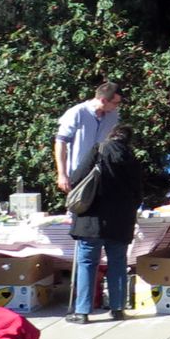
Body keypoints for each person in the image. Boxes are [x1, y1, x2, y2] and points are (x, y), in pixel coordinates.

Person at [67, 127, 144, 323]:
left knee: (87, 263)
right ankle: (117, 308)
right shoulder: (131, 159)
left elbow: (76, 178)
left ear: (111, 135)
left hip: (91, 220)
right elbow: (139, 191)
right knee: (118, 263)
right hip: (120, 222)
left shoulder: (98, 150)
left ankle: (82, 311)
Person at [53, 82, 122, 194]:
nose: (117, 106)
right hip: (79, 174)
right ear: (104, 100)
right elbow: (60, 142)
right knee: (78, 209)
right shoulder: (77, 113)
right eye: (115, 103)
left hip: (104, 174)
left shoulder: (113, 116)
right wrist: (62, 174)